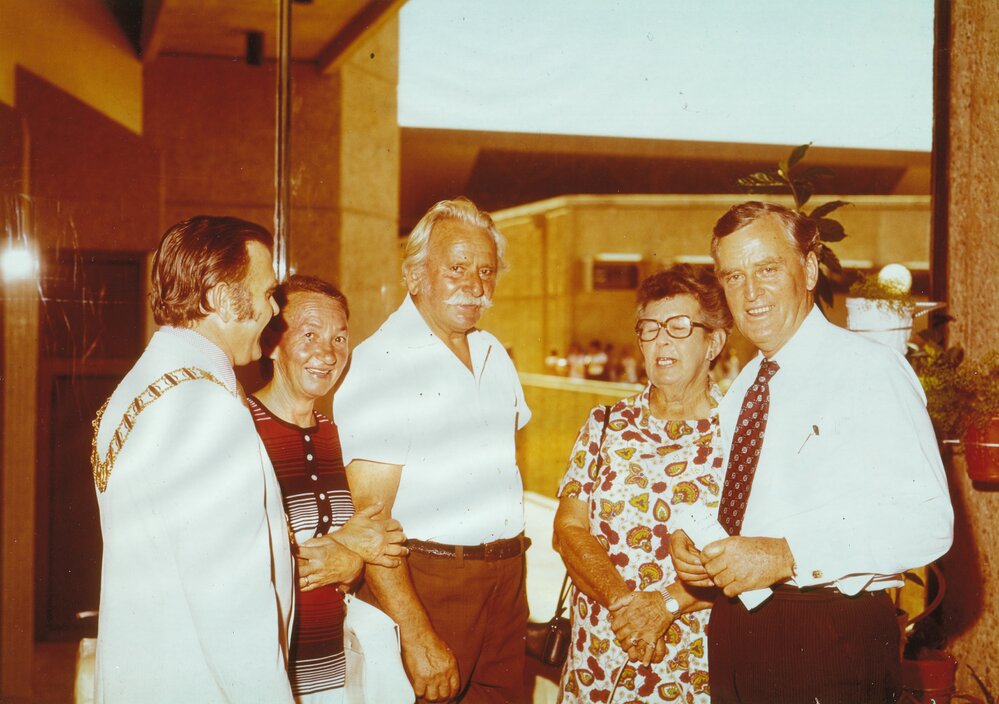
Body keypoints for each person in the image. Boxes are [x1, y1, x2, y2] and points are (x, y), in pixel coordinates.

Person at [670, 201, 954, 704]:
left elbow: (927, 520)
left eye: (767, 269)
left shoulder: (870, 371)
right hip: (738, 632)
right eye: (734, 277)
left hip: (829, 642)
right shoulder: (744, 387)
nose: (750, 293)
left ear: (808, 268)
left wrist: (787, 553)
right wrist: (700, 548)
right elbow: (756, 505)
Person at [335, 197, 532, 703]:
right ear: (415, 275)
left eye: (487, 271)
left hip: (506, 584)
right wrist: (417, 636)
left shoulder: (493, 354)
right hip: (431, 585)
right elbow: (371, 524)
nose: (475, 285)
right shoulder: (384, 362)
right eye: (458, 268)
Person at [90, 216, 294, 703]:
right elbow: (234, 613)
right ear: (221, 299)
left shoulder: (138, 389)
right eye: (267, 294)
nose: (274, 313)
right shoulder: (205, 407)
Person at [553, 265, 730, 703]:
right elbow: (568, 529)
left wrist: (664, 605)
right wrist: (623, 605)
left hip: (696, 664)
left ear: (714, 342)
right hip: (602, 653)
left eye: (679, 326)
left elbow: (749, 552)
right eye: (649, 329)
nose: (662, 341)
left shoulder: (739, 435)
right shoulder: (605, 424)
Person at [249, 275, 408, 704]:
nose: (327, 353)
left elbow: (371, 543)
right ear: (271, 344)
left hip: (332, 674)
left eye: (340, 338)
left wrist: (352, 558)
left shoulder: (339, 437)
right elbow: (238, 564)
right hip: (263, 673)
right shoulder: (242, 429)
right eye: (309, 334)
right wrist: (346, 544)